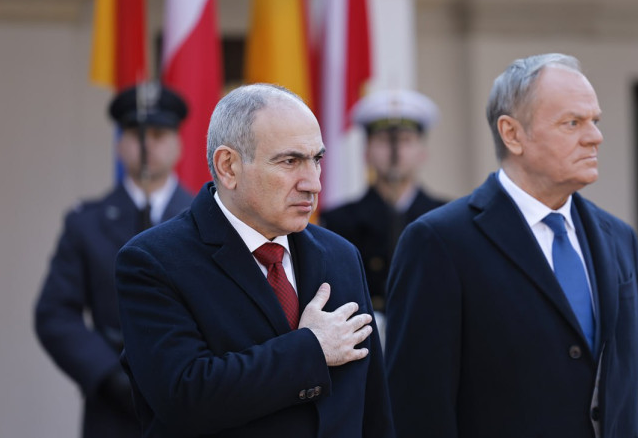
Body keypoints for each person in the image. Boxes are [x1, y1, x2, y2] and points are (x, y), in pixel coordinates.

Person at [386, 53, 638, 438]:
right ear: (512, 134)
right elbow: (418, 411)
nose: (595, 136)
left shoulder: (619, 239)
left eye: (595, 121)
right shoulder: (439, 242)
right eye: (573, 123)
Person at [114, 84, 394, 438]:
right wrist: (310, 349)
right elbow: (185, 396)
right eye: (290, 161)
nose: (313, 184)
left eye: (317, 160)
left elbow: (372, 410)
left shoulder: (341, 255)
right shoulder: (153, 261)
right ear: (228, 166)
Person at [34, 83, 194, 438]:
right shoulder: (86, 223)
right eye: (136, 134)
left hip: (193, 404)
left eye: (159, 134)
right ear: (120, 144)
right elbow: (54, 313)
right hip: (113, 415)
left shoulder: (208, 219)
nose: (147, 145)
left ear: (178, 143)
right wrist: (108, 375)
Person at [320, 89, 445, 320]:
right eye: (383, 141)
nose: (395, 151)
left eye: (406, 141)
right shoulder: (338, 221)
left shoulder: (445, 216)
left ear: (422, 152)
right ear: (366, 152)